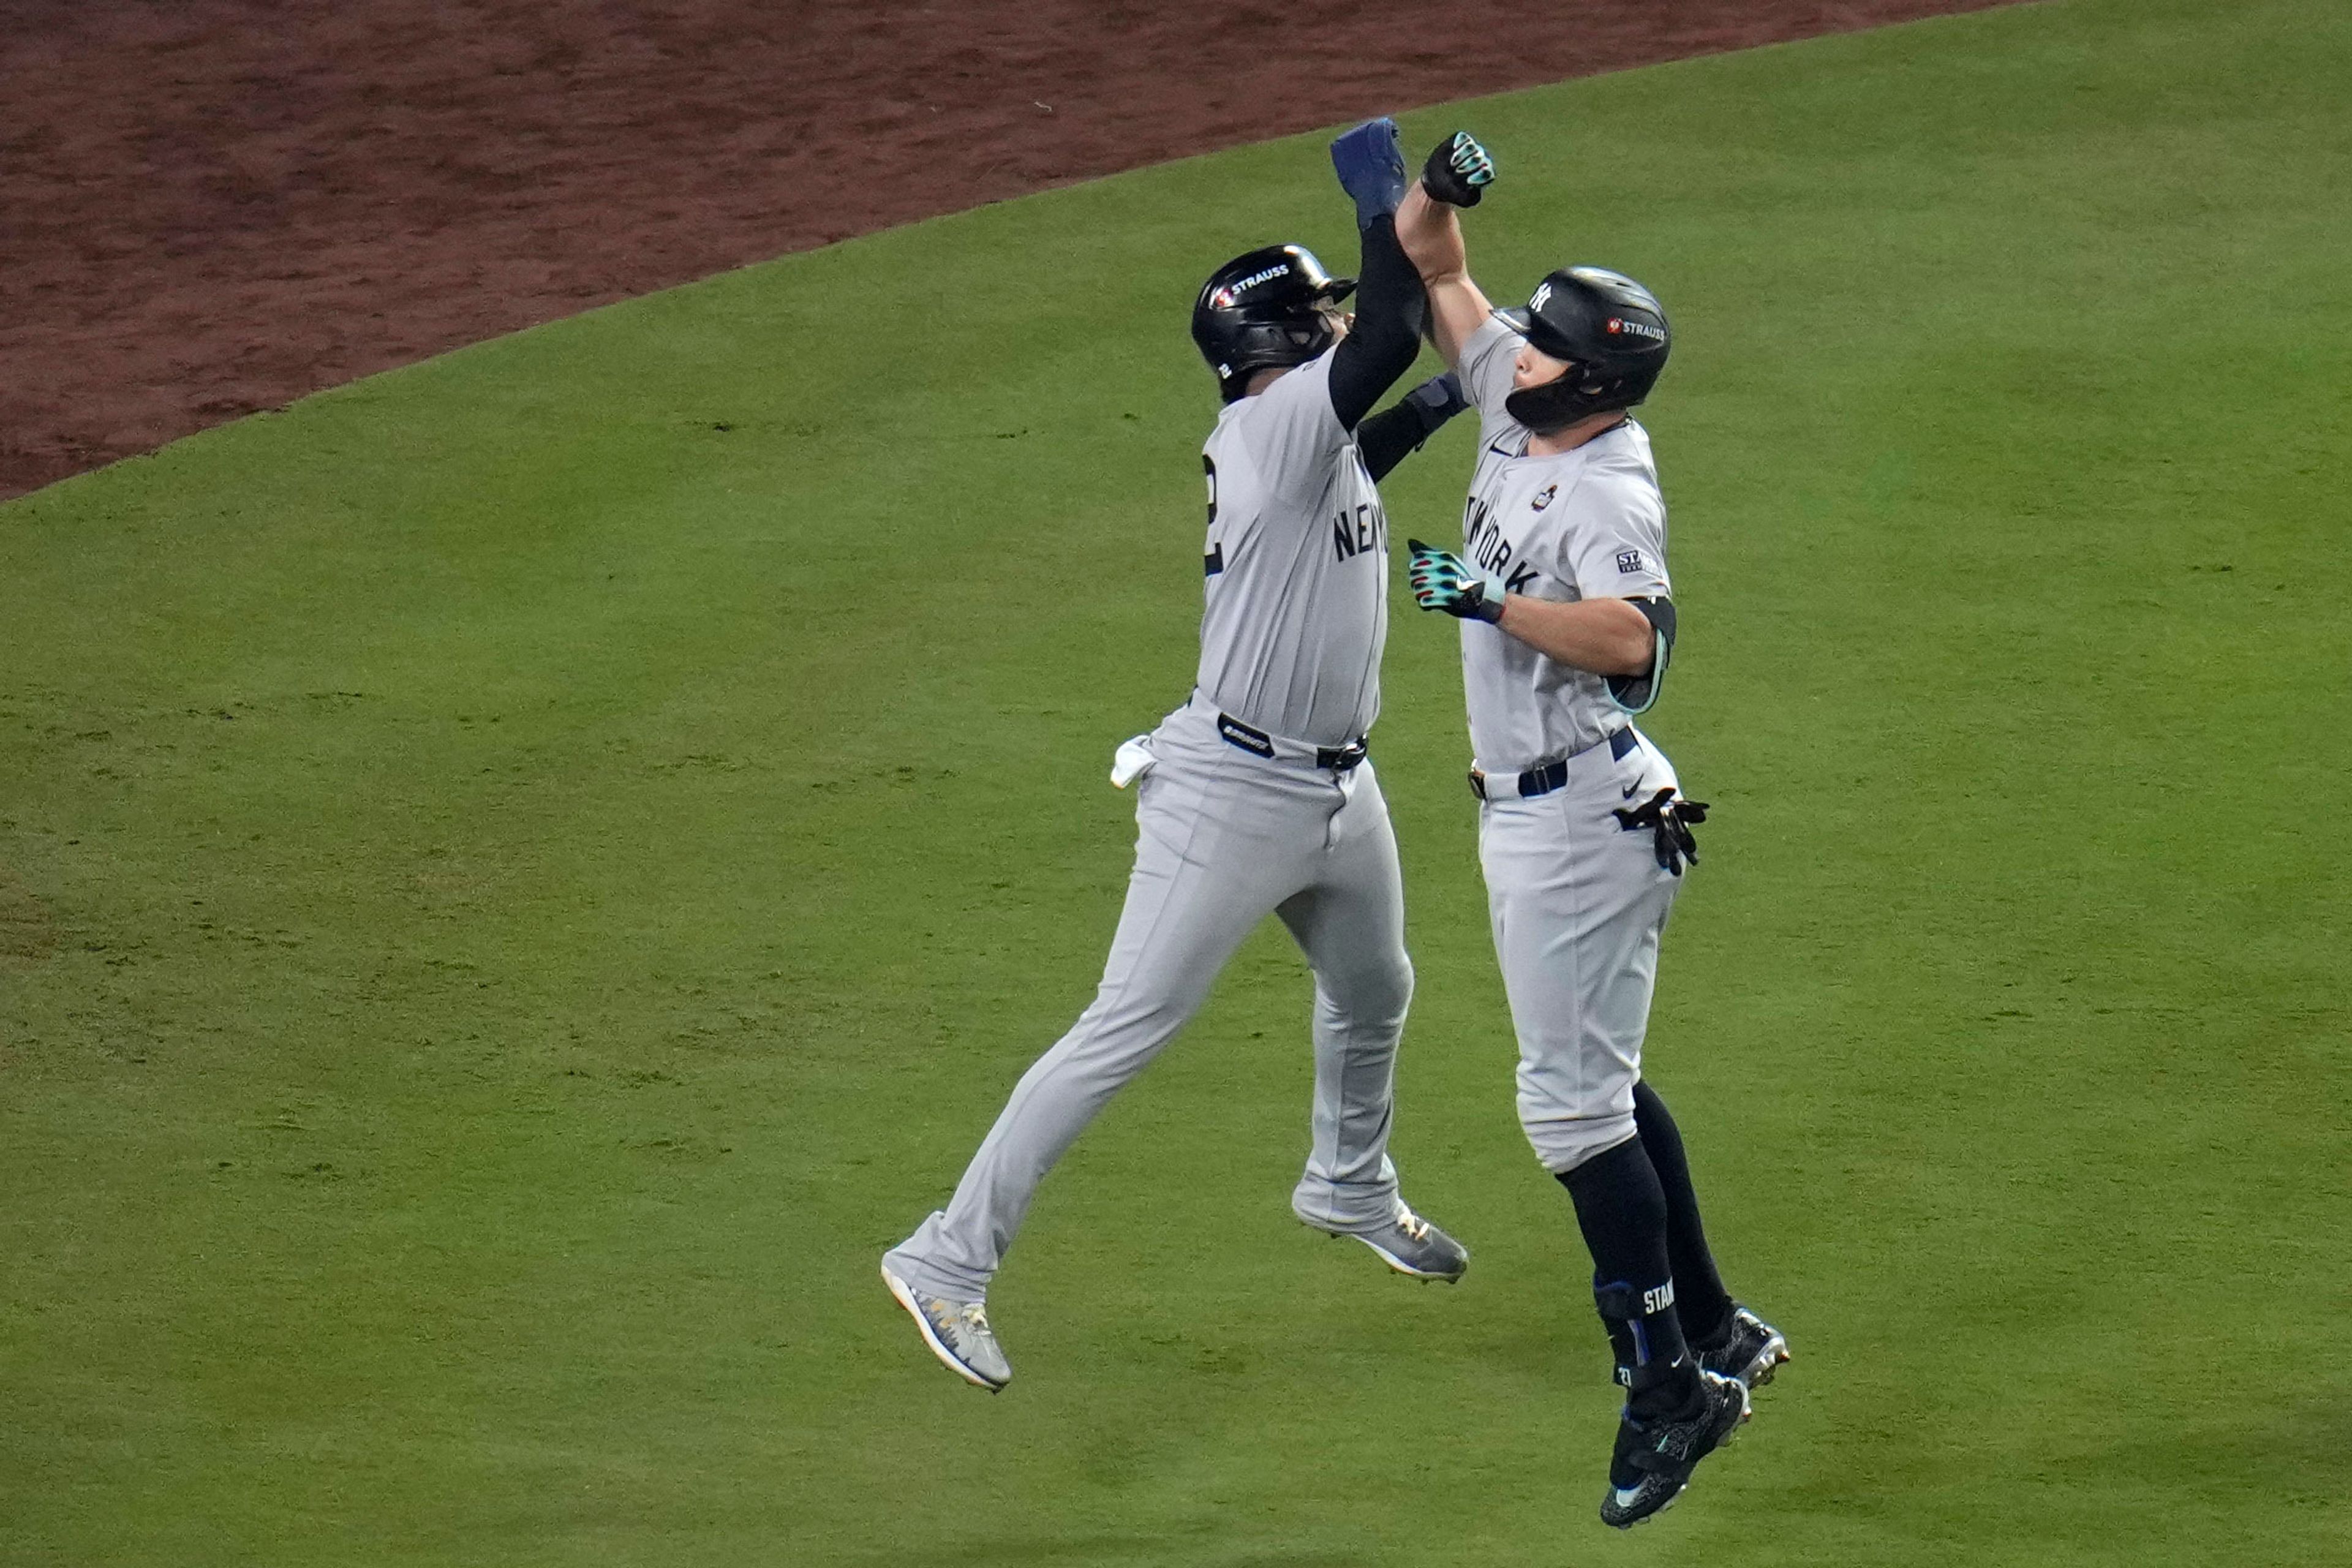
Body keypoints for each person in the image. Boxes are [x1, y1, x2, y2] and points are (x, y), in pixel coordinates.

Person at [880, 120, 1490, 1392]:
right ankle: (946, 1256)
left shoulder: (1300, 445)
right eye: (1313, 313)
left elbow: (1364, 452)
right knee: (1127, 1024)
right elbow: (1383, 331)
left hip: (1336, 783)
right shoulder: (1271, 427)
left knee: (1377, 990)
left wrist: (1444, 398)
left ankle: (1348, 1184)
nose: (1336, 324)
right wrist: (1385, 190)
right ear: (1270, 341)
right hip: (1231, 790)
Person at [1392, 135, 1789, 1527]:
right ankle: (1721, 1325)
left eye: (1549, 348)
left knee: (1567, 1109)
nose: (1517, 354)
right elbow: (1431, 260)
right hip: (1569, 802)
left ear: (1599, 381)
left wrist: (1487, 603)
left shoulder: (1612, 486)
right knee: (1602, 1084)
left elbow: (1639, 640)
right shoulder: (1522, 393)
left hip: (1575, 817)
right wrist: (1442, 187)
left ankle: (1669, 1382)